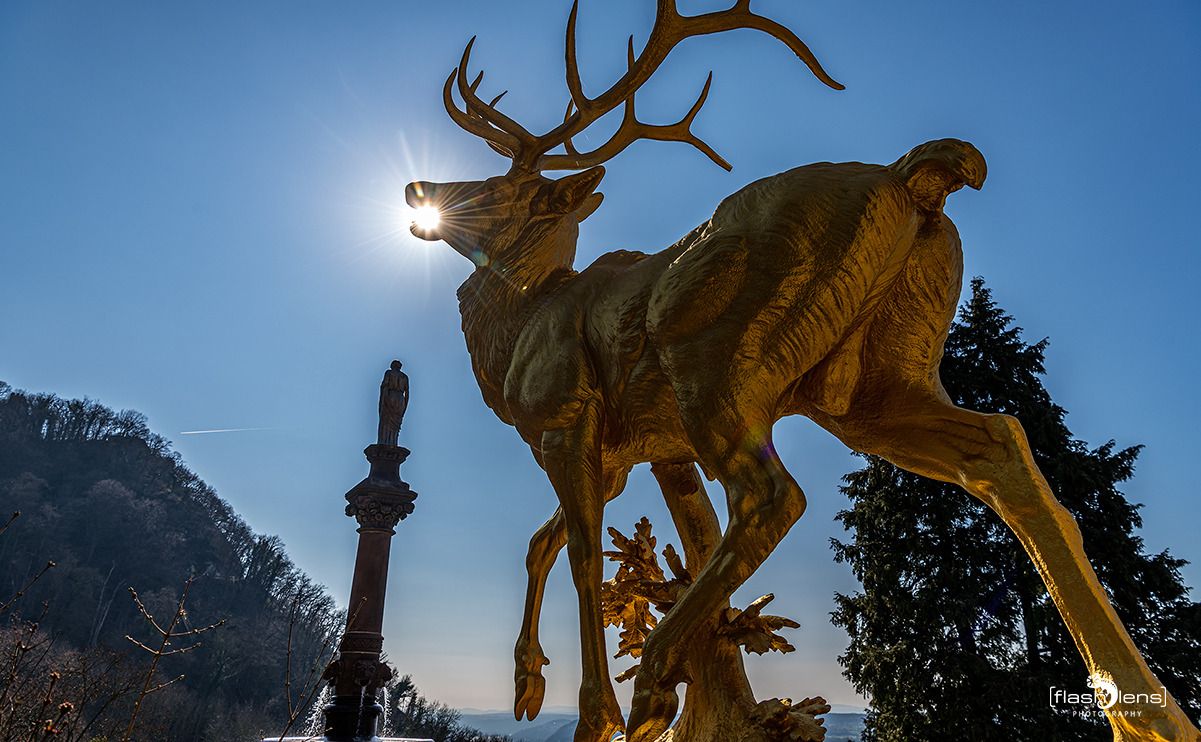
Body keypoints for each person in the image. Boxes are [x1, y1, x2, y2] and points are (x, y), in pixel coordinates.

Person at [377, 360, 409, 445]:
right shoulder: (404, 377)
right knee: (396, 423)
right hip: (400, 400)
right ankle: (393, 441)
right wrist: (405, 405)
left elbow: (385, 386)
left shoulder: (389, 373)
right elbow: (407, 393)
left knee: (386, 420)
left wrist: (384, 400)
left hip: (390, 396)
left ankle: (385, 441)